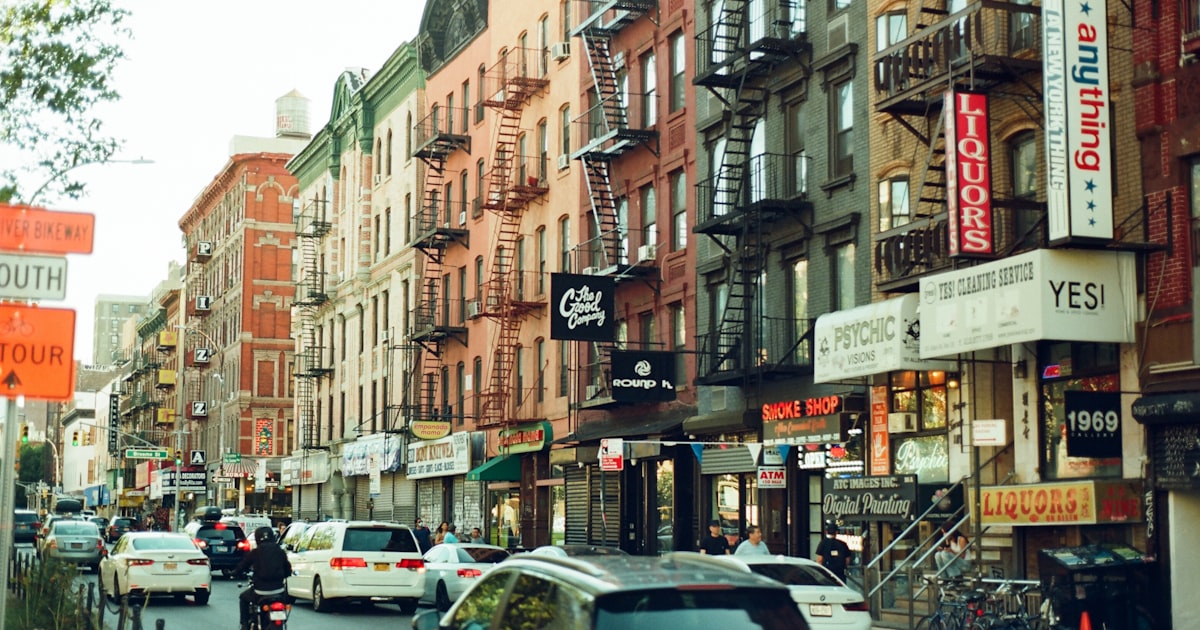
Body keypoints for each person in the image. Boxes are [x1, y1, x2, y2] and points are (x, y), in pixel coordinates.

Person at [235, 526, 292, 630]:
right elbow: (288, 570)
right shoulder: (280, 551)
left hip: (260, 592)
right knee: (286, 603)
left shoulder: (255, 552)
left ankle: (244, 625)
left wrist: (235, 572)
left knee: (243, 598)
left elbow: (243, 565)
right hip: (279, 591)